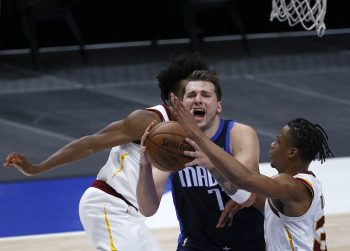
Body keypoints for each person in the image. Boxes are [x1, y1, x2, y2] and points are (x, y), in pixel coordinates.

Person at [2, 53, 219, 251]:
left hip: (134, 215)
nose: (198, 98)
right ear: (174, 97)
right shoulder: (148, 120)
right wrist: (37, 168)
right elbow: (91, 143)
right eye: (191, 93)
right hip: (109, 205)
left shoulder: (196, 128)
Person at [170, 92, 334, 250]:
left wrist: (198, 135)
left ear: (292, 152)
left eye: (278, 140)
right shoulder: (297, 186)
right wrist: (215, 170)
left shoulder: (292, 186)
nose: (272, 144)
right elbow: (249, 194)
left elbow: (245, 179)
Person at [137, 70, 265, 250]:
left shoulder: (239, 134)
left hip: (247, 241)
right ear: (182, 105)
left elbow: (248, 198)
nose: (198, 99)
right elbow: (147, 209)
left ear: (218, 106)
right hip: (196, 244)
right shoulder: (171, 142)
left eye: (205, 94)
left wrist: (212, 166)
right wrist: (144, 165)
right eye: (191, 95)